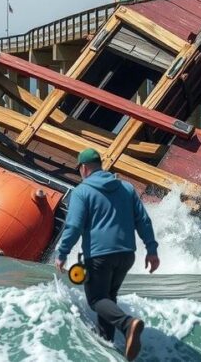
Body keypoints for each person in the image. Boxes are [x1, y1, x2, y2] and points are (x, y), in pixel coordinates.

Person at [55, 148, 160, 361]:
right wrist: (151, 250)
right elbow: (143, 220)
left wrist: (62, 252)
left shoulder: (82, 192)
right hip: (126, 255)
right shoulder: (126, 188)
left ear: (83, 168)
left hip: (100, 256)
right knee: (108, 299)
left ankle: (128, 324)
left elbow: (74, 226)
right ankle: (108, 346)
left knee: (96, 299)